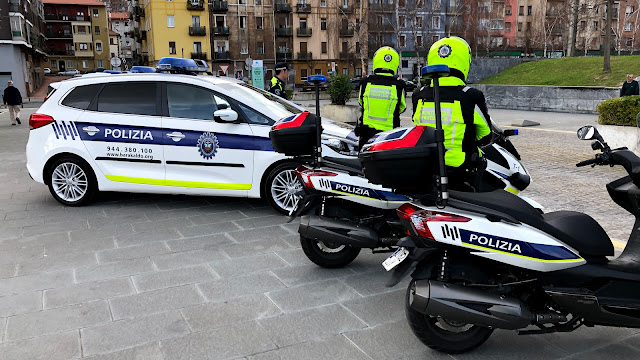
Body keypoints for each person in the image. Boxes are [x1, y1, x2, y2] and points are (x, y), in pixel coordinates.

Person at [412, 37, 492, 191]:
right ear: (464, 62)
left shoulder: (418, 94)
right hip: (459, 171)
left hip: (425, 167)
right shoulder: (470, 95)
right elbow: (485, 135)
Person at [356, 46, 407, 149]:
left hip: (366, 134)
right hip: (389, 135)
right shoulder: (399, 85)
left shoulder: (365, 82)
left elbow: (361, 102)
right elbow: (402, 107)